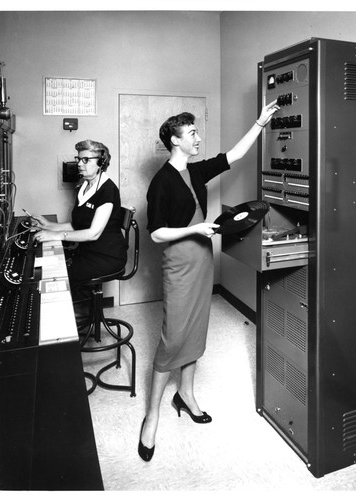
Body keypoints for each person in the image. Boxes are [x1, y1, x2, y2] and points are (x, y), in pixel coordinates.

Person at [139, 100, 280, 461]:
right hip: (179, 264)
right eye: (191, 134)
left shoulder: (195, 171)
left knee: (198, 328)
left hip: (203, 259)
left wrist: (260, 122)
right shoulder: (161, 183)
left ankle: (184, 394)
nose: (198, 138)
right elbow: (155, 234)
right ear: (174, 140)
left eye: (196, 132)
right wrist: (196, 228)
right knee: (173, 336)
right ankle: (151, 416)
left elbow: (233, 155)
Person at [32, 140, 127, 308]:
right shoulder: (84, 186)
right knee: (52, 267)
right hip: (88, 252)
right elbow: (78, 224)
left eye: (86, 160)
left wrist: (56, 235)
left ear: (101, 163)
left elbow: (93, 233)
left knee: (59, 274)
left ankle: (64, 327)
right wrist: (49, 226)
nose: (79, 164)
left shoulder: (108, 191)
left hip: (107, 256)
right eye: (78, 159)